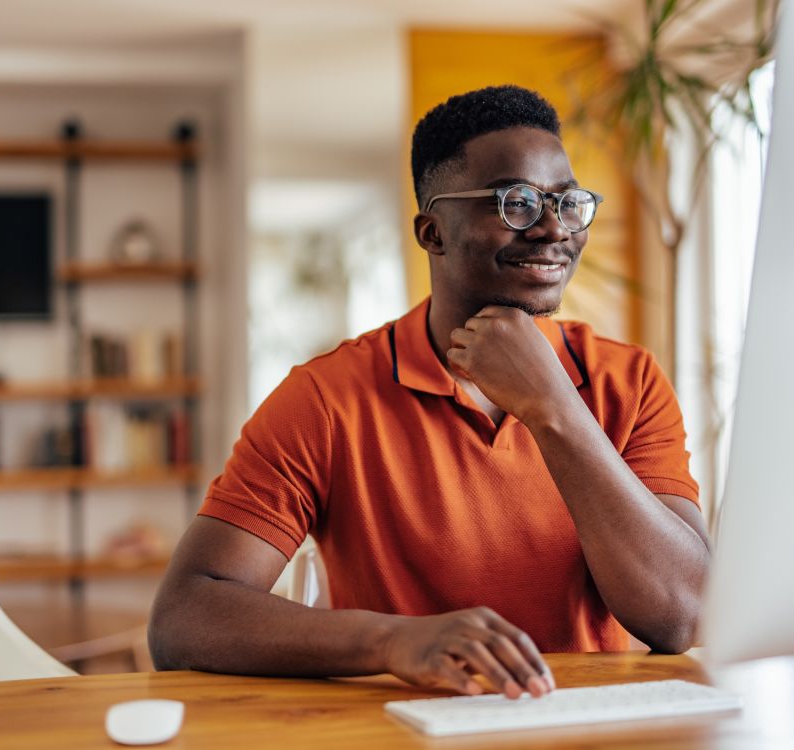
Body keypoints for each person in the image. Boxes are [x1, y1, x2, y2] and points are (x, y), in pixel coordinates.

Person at [149, 85, 711, 699]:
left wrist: (553, 406)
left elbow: (681, 615)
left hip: (586, 728)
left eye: (567, 202)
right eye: (515, 202)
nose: (554, 228)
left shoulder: (629, 382)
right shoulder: (325, 398)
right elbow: (185, 615)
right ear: (433, 232)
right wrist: (391, 642)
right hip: (404, 728)